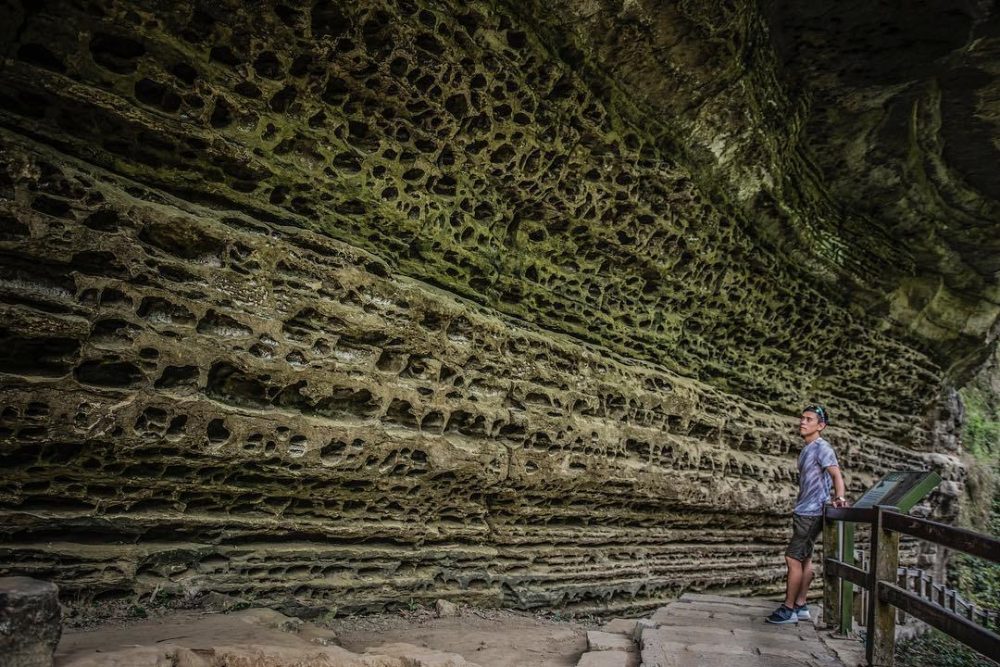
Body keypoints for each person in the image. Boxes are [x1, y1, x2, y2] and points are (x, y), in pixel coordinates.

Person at [766, 404, 847, 625]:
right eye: (802, 418)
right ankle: (801, 605)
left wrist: (839, 498)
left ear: (821, 425)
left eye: (809, 419)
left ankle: (788, 609)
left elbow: (837, 475)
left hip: (811, 513)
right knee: (805, 558)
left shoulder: (822, 447)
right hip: (805, 510)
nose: (803, 422)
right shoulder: (807, 448)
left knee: (792, 558)